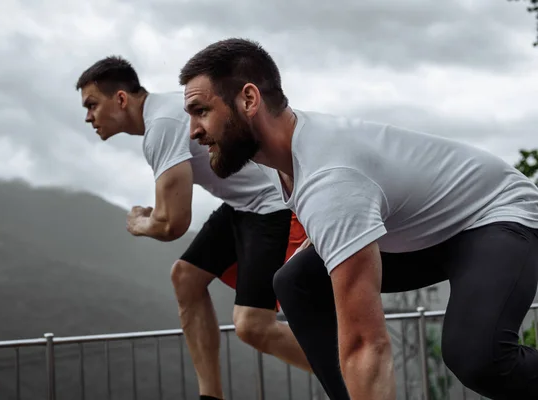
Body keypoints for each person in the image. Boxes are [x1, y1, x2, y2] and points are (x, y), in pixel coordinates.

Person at [177, 38, 538, 400]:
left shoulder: (330, 177)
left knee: (477, 358)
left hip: (497, 214)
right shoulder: (280, 158)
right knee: (296, 280)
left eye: (201, 111)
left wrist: (335, 219)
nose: (193, 130)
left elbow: (368, 345)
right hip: (429, 233)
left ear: (249, 100)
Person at [74, 56, 311, 400]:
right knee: (185, 277)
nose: (88, 117)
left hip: (272, 204)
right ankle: (210, 396)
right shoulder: (166, 115)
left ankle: (351, 371)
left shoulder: (162, 124)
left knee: (252, 327)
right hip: (242, 205)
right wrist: (156, 216)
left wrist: (140, 223)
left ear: (121, 99)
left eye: (92, 104)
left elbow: (172, 223)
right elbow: (171, 213)